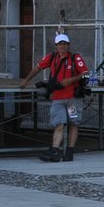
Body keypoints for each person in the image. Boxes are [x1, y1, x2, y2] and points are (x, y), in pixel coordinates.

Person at [19, 33, 90, 162]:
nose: (62, 46)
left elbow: (86, 74)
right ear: (56, 46)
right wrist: (26, 80)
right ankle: (55, 150)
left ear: (68, 45)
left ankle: (69, 151)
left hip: (72, 98)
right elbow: (38, 67)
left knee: (73, 123)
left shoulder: (75, 58)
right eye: (60, 44)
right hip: (57, 98)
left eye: (65, 44)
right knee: (59, 123)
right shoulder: (51, 57)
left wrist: (71, 80)